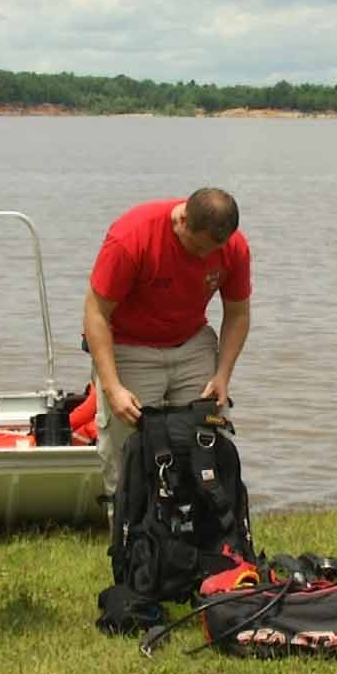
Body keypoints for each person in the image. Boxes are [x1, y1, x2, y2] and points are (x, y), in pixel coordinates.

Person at [83, 188, 252, 503]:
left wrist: (223, 375)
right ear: (183, 219)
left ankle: (203, 544)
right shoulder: (132, 236)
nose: (204, 256)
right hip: (129, 346)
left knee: (204, 445)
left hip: (192, 345)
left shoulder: (233, 248)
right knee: (130, 455)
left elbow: (238, 313)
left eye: (213, 249)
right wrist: (112, 387)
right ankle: (131, 544)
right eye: (198, 247)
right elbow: (95, 313)